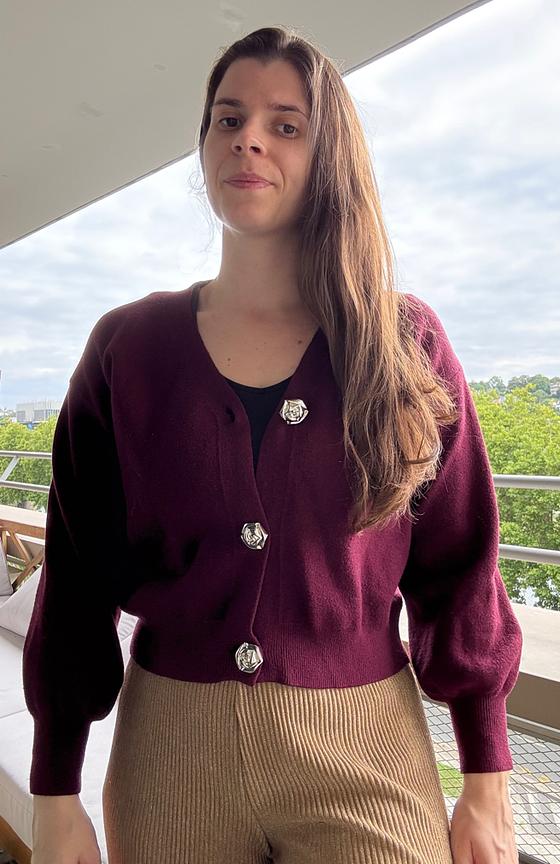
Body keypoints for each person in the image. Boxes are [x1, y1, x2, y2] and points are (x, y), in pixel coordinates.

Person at [24, 24, 523, 864]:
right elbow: (77, 578)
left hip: (366, 742)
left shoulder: (403, 344)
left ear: (329, 157)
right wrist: (54, 789)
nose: (248, 138)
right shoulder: (127, 349)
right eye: (228, 118)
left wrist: (487, 776)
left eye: (285, 124)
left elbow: (460, 565)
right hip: (171, 752)